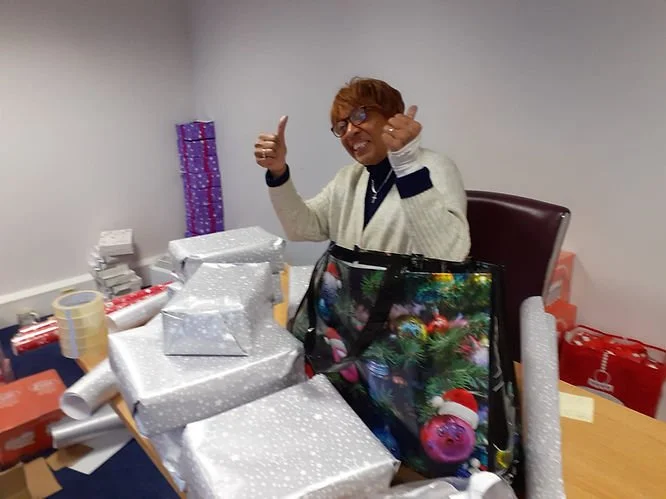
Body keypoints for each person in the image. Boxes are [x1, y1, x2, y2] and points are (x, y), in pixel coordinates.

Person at [254, 77, 470, 262]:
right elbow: (302, 228)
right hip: (351, 296)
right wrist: (278, 172)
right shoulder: (349, 177)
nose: (350, 131)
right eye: (341, 126)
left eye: (359, 116)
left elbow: (450, 256)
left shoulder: (435, 167)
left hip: (409, 298)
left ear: (392, 117)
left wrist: (407, 167)